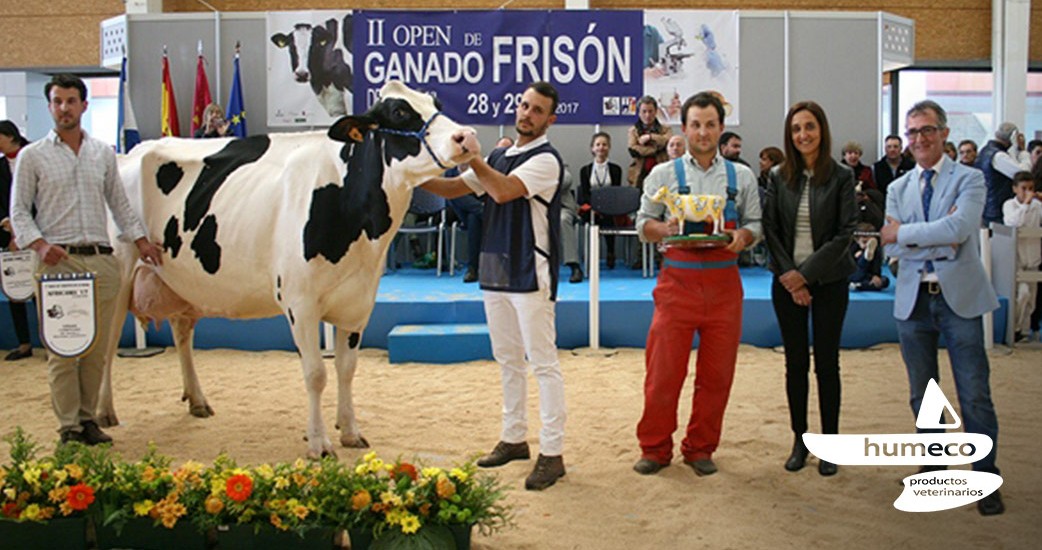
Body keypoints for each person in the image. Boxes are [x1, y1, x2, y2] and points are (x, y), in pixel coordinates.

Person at [422, 82, 566, 491]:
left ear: (550, 119)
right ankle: (514, 438)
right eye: (524, 105)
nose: (527, 114)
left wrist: (475, 157)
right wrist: (413, 172)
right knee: (506, 359)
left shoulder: (547, 160)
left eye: (537, 110)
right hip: (496, 270)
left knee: (543, 363)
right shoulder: (501, 155)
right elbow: (454, 187)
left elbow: (502, 192)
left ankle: (552, 453)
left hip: (530, 270)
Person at [10, 74, 164, 445]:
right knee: (63, 350)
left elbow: (120, 205)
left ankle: (88, 419)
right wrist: (40, 246)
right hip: (56, 264)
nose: (64, 108)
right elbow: (19, 213)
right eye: (57, 101)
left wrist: (142, 241)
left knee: (97, 347)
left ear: (83, 105)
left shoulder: (101, 154)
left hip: (101, 260)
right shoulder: (32, 156)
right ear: (49, 106)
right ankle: (68, 427)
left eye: (71, 101)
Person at [880, 99, 1004, 516]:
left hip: (961, 301)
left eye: (927, 130)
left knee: (974, 394)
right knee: (924, 396)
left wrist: (910, 235)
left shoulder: (970, 179)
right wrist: (935, 237)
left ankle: (985, 477)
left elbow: (960, 228)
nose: (919, 139)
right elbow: (892, 243)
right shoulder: (897, 188)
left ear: (944, 133)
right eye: (912, 132)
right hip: (913, 301)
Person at [632, 91, 761, 477]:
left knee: (717, 376)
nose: (703, 132)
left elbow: (756, 224)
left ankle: (701, 448)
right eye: (695, 125)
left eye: (710, 124)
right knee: (663, 373)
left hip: (725, 287)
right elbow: (642, 224)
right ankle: (654, 449)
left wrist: (745, 238)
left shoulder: (742, 176)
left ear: (721, 128)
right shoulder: (663, 174)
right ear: (683, 128)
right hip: (677, 284)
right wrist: (663, 228)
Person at [763, 101, 857, 477]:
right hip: (786, 284)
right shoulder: (777, 176)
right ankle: (800, 442)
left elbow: (845, 233)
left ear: (822, 130)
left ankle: (830, 444)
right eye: (796, 128)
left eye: (810, 127)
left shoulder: (841, 176)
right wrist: (791, 276)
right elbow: (770, 231)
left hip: (830, 282)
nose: (803, 134)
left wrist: (808, 276)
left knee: (827, 365)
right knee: (796, 364)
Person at [0, 120, 34, 361]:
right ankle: (24, 343)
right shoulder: (0, 167)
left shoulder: (35, 156)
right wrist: (7, 224)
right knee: (16, 288)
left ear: (10, 136)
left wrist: (29, 232)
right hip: (9, 237)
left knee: (44, 292)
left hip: (41, 236)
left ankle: (55, 340)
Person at [1002, 171, 1041, 341]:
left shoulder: (1038, 206)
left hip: (1033, 255)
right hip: (1015, 256)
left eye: (1031, 188)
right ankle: (1015, 328)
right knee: (1022, 294)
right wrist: (1025, 204)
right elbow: (1012, 223)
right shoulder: (1009, 205)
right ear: (1015, 189)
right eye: (1023, 188)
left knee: (1031, 298)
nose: (1028, 192)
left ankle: (1024, 331)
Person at [578, 132, 624, 271]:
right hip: (591, 209)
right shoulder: (585, 170)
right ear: (592, 148)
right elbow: (585, 194)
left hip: (610, 207)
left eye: (604, 144)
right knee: (594, 218)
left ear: (609, 147)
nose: (601, 147)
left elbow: (615, 192)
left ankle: (610, 252)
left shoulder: (616, 169)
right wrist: (595, 207)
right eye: (598, 144)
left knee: (608, 218)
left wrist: (604, 207)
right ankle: (591, 254)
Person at [975, 121, 1032, 226]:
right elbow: (1023, 175)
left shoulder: (985, 151)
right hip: (997, 209)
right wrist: (1023, 151)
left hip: (989, 207)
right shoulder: (999, 156)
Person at [627, 95, 672, 190]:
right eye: (644, 111)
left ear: (656, 112)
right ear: (639, 113)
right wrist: (655, 148)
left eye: (650, 111)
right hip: (639, 175)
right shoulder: (633, 131)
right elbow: (633, 150)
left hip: (661, 173)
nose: (647, 115)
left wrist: (650, 137)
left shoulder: (665, 129)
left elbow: (667, 142)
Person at [558, 166, 582, 282]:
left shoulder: (559, 166)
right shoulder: (528, 166)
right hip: (540, 209)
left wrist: (542, 182)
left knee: (563, 220)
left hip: (563, 208)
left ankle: (574, 266)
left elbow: (566, 180)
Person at [849, 223, 889, 291]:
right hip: (855, 274)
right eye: (864, 242)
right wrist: (857, 257)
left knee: (885, 281)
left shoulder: (876, 250)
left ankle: (858, 286)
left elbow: (876, 265)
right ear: (857, 240)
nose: (866, 245)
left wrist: (875, 276)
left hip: (867, 276)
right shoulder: (852, 248)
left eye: (869, 243)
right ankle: (865, 257)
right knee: (860, 268)